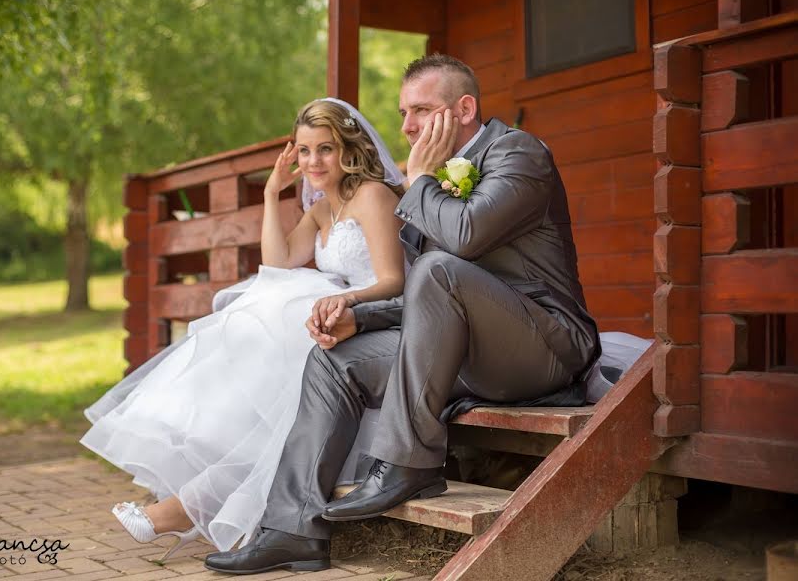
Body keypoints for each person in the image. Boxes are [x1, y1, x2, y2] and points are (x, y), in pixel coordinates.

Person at [203, 54, 601, 575]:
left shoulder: (519, 153)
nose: (407, 127)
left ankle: (407, 463)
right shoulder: (432, 180)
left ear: (463, 109)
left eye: (420, 110)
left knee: (437, 266)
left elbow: (461, 242)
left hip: (544, 346)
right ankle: (291, 528)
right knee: (335, 359)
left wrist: (418, 180)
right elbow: (424, 294)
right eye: (402, 113)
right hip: (465, 350)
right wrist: (358, 318)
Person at [80, 97, 407, 562]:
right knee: (260, 338)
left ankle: (184, 510)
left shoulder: (372, 196)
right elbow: (275, 263)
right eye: (305, 150)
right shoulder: (322, 208)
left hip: (371, 317)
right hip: (333, 316)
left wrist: (345, 299)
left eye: (326, 149)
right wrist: (272, 194)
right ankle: (189, 506)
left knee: (277, 349)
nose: (314, 161)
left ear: (349, 149)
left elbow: (393, 281)